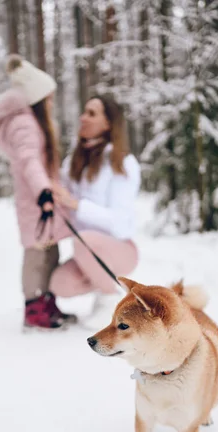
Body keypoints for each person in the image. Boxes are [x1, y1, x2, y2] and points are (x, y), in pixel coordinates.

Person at [0, 55, 75, 330]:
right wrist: (43, 191)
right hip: (36, 202)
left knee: (50, 253)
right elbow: (29, 161)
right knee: (37, 255)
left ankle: (46, 303)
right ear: (36, 99)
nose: (50, 104)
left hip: (42, 201)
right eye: (47, 99)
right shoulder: (24, 124)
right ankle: (34, 308)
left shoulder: (30, 123)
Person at [50, 94, 140, 326]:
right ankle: (103, 286)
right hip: (87, 250)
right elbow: (62, 196)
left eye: (92, 113)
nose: (83, 118)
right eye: (84, 111)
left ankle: (111, 301)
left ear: (108, 123)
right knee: (59, 284)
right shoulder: (74, 161)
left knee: (83, 241)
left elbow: (119, 223)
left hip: (121, 249)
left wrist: (77, 205)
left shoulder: (122, 163)